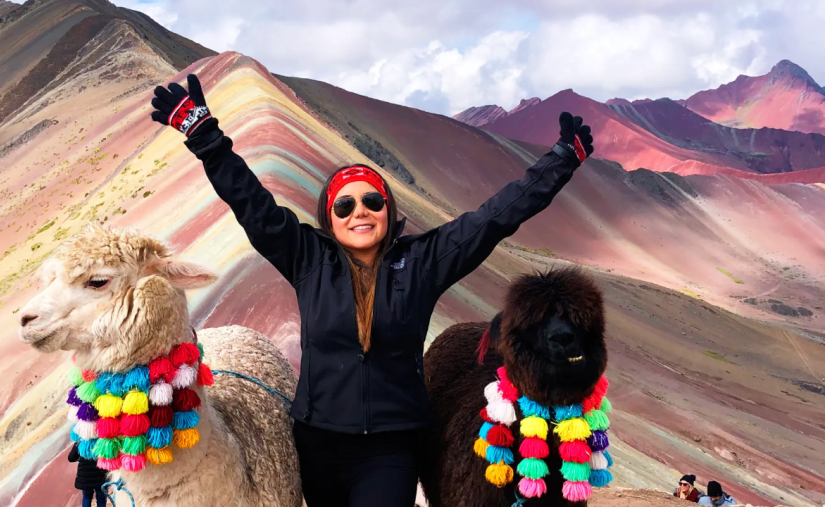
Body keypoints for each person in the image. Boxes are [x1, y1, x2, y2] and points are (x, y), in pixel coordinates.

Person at [150, 74, 594, 507]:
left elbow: (495, 218)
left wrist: (560, 162)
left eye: (372, 201)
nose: (359, 211)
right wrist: (205, 136)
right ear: (330, 217)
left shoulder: (422, 263)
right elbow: (252, 204)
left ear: (387, 210)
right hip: (318, 446)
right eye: (345, 205)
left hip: (390, 450)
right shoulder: (307, 258)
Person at [67, 442, 109, 507]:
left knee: (87, 497)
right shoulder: (102, 441)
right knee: (101, 499)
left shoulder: (80, 442)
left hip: (85, 476)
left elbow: (71, 458)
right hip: (101, 475)